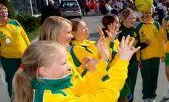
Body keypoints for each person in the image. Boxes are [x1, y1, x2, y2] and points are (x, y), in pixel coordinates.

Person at [12, 36, 140, 102]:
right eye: (63, 63)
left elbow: (84, 87)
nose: (69, 66)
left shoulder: (52, 85)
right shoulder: (52, 98)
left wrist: (103, 62)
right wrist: (122, 63)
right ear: (43, 70)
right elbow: (103, 98)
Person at [0, 3, 30, 97]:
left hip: (24, 56)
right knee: (12, 80)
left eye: (5, 11)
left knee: (27, 78)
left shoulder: (15, 22)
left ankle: (28, 97)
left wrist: (31, 49)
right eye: (1, 12)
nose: (4, 13)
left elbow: (24, 36)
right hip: (8, 60)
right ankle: (14, 98)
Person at [101, 14, 131, 102]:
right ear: (109, 25)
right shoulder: (104, 42)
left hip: (118, 76)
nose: (119, 25)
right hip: (111, 79)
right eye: (117, 23)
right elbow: (107, 61)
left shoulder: (116, 40)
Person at [135, 7, 163, 102]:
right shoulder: (138, 27)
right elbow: (137, 45)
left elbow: (160, 40)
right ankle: (146, 97)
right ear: (142, 13)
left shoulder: (156, 24)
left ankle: (152, 97)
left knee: (154, 78)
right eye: (146, 12)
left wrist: (162, 54)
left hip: (155, 57)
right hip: (145, 58)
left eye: (149, 12)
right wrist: (138, 59)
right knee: (146, 79)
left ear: (152, 13)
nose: (148, 14)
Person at [118, 8, 139, 102]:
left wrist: (139, 60)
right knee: (123, 90)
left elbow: (138, 47)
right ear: (124, 19)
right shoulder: (118, 32)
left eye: (134, 18)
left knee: (132, 87)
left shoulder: (135, 31)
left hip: (133, 64)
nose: (133, 20)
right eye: (130, 18)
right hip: (121, 65)